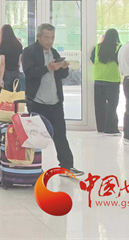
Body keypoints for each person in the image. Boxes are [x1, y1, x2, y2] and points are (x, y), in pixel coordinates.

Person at [22, 23, 84, 176]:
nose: (50, 41)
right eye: (46, 37)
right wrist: (47, 68)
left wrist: (64, 67)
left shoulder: (54, 52)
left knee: (60, 135)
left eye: (52, 37)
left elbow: (62, 76)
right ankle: (32, 168)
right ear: (38, 37)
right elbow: (29, 73)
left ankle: (67, 167)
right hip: (37, 102)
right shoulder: (29, 52)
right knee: (35, 137)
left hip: (55, 102)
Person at [90, 29, 122, 135]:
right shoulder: (118, 47)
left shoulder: (97, 47)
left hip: (98, 79)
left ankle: (101, 128)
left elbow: (92, 60)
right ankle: (111, 128)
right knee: (112, 105)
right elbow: (120, 62)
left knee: (99, 105)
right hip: (113, 80)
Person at [0, 24, 23, 97]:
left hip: (6, 73)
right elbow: (19, 63)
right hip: (16, 72)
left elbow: (3, 63)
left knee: (5, 97)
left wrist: (1, 79)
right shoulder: (18, 45)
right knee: (15, 97)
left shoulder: (3, 45)